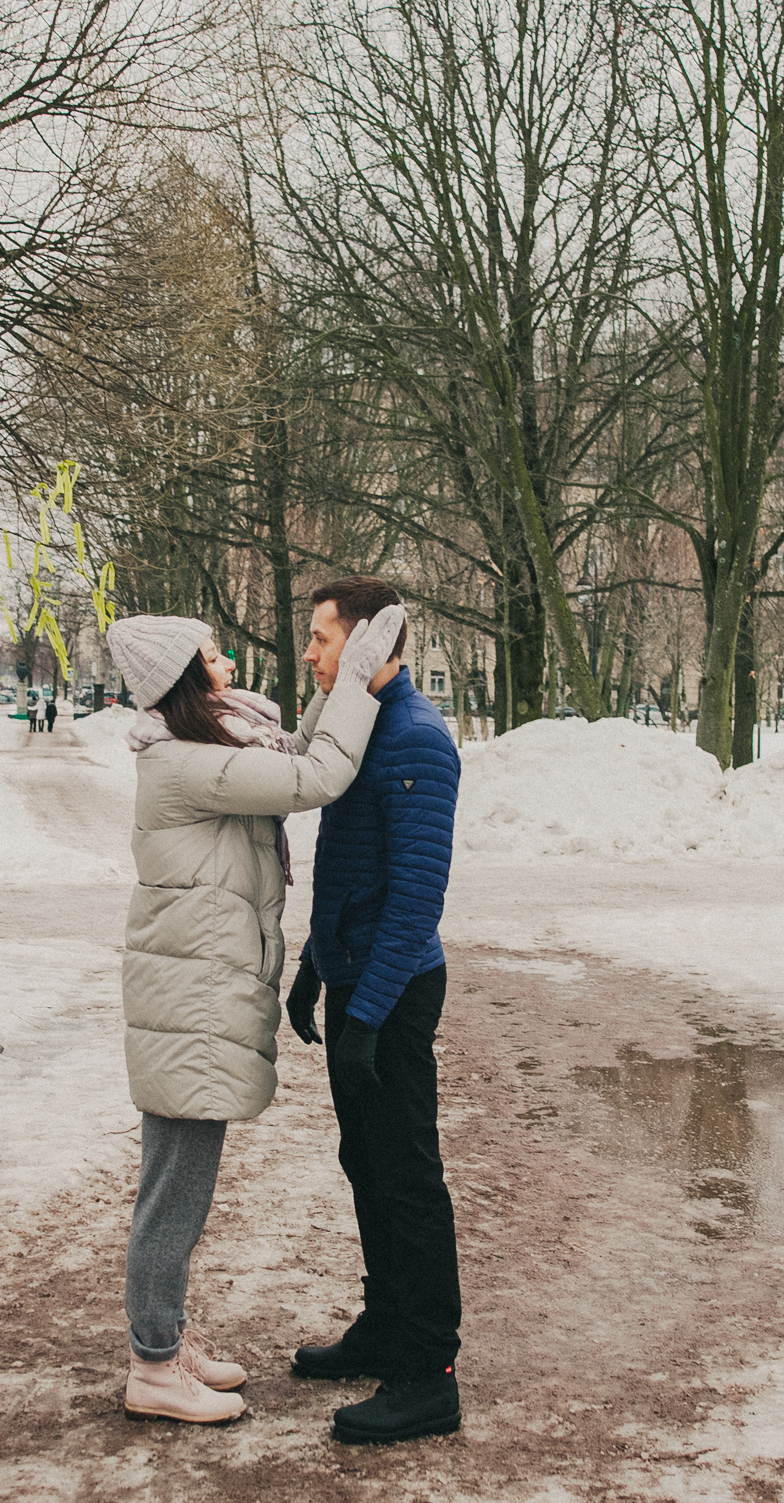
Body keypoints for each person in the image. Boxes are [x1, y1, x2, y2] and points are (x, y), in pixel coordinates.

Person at [103, 603, 407, 1425]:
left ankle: (164, 1336)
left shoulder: (206, 749)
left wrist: (330, 694)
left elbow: (298, 754)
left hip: (192, 999)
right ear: (184, 679)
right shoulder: (186, 764)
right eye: (214, 657)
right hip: (190, 1007)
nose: (228, 666)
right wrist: (350, 679)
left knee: (176, 1182)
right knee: (176, 1191)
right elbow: (316, 779)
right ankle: (154, 1367)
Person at [282, 576, 464, 1445]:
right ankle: (386, 1326)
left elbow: (414, 899)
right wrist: (317, 966)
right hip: (358, 981)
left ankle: (428, 1373)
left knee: (408, 1180)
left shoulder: (418, 739)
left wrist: (369, 1016)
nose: (309, 654)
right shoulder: (355, 727)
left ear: (361, 643)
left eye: (321, 638)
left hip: (394, 990)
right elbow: (349, 872)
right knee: (368, 1165)